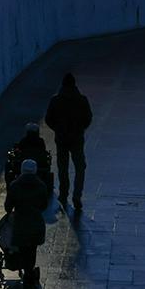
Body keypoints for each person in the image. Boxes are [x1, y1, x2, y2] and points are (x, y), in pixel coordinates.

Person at [44, 72, 92, 210]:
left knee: (62, 168)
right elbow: (88, 118)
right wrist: (80, 129)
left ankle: (63, 194)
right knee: (80, 167)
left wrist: (58, 129)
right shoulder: (82, 100)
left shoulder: (56, 100)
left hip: (61, 139)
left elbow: (48, 119)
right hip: (77, 139)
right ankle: (77, 196)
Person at [4, 158, 49, 289]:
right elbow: (44, 206)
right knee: (32, 249)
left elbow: (7, 207)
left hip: (20, 225)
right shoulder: (42, 186)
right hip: (36, 225)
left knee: (23, 248)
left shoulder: (14, 185)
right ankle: (30, 274)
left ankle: (27, 273)